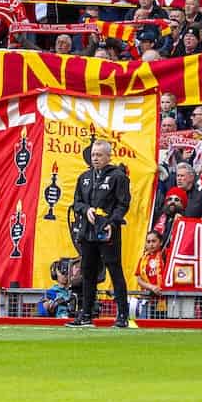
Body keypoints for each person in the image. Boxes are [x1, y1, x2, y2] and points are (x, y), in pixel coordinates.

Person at [67, 139, 131, 328]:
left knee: (114, 269)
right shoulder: (84, 177)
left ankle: (122, 315)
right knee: (87, 272)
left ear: (108, 156)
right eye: (93, 154)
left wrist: (113, 222)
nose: (95, 158)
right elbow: (76, 202)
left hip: (107, 230)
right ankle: (86, 315)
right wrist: (85, 209)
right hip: (87, 231)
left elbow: (123, 204)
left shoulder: (118, 176)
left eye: (99, 155)